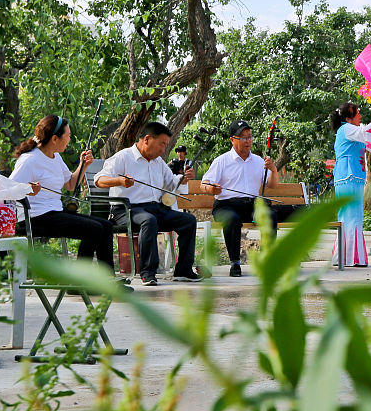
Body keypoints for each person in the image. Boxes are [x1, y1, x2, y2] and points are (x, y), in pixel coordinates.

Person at [95, 122, 202, 286]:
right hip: (126, 210)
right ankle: (147, 272)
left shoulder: (158, 162)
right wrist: (120, 181)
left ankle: (184, 270)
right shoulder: (123, 157)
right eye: (162, 144)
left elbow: (170, 185)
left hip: (155, 209)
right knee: (148, 220)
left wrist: (183, 178)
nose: (164, 149)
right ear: (147, 139)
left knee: (188, 220)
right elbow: (99, 180)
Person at [10, 115, 119, 276]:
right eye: (67, 136)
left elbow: (70, 184)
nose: (69, 139)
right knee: (93, 229)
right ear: (55, 138)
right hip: (35, 217)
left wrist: (84, 164)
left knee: (106, 226)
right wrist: (27, 189)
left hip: (54, 213)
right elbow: (10, 189)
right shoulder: (29, 160)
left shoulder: (56, 157)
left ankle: (109, 280)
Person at [200, 120, 296, 277]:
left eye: (250, 137)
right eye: (243, 138)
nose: (248, 141)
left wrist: (273, 170)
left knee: (270, 215)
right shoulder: (221, 161)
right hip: (226, 205)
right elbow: (203, 185)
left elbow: (272, 185)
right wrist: (211, 188)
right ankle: (235, 263)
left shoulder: (258, 161)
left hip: (251, 205)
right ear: (232, 139)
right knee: (232, 218)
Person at [331, 101, 371, 267]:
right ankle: (349, 257)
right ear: (349, 117)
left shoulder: (349, 130)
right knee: (351, 216)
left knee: (351, 216)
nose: (360, 116)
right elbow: (367, 132)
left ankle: (346, 257)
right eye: (357, 113)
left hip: (349, 176)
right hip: (348, 176)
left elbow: (368, 134)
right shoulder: (347, 129)